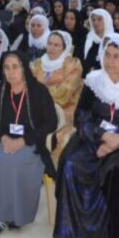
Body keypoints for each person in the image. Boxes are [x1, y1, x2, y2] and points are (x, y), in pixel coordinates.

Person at [53, 35, 119, 238]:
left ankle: (107, 232)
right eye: (107, 55)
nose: (110, 61)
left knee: (113, 170)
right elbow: (81, 116)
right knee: (71, 163)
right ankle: (72, 228)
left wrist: (117, 141)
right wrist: (103, 137)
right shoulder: (94, 80)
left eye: (117, 56)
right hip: (92, 136)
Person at [0, 51, 58, 234]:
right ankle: (0, 214)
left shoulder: (38, 91)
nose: (10, 72)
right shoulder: (0, 90)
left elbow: (51, 122)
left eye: (15, 67)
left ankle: (17, 215)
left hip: (31, 142)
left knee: (14, 164)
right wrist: (3, 138)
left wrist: (23, 141)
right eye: (6, 68)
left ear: (24, 68)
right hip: (4, 139)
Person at [30, 30, 83, 158]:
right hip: (36, 108)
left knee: (58, 138)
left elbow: (63, 94)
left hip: (64, 111)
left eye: (56, 45)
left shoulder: (73, 64)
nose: (52, 48)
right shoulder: (37, 64)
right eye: (50, 43)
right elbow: (29, 89)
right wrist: (51, 86)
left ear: (64, 48)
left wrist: (41, 87)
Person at [83, 9, 115, 75]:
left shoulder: (114, 40)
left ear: (107, 20)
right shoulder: (87, 39)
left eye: (99, 19)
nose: (95, 22)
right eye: (93, 20)